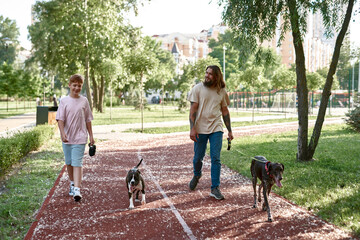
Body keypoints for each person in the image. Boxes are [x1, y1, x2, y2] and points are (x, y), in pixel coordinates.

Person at [187, 65, 234, 200]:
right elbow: (193, 111)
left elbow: (225, 111)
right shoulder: (197, 89)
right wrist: (192, 128)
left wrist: (230, 130)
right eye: (206, 73)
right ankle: (197, 174)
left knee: (216, 158)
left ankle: (215, 188)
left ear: (217, 77)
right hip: (200, 129)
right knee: (198, 158)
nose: (207, 75)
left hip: (216, 128)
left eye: (210, 74)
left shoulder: (222, 91)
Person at [56, 74, 95, 202]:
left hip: (80, 137)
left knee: (77, 162)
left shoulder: (84, 101)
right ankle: (72, 183)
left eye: (79, 85)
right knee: (69, 162)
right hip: (67, 138)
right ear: (69, 85)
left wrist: (91, 136)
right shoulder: (64, 101)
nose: (77, 88)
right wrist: (62, 133)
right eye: (74, 85)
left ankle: (77, 189)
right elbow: (60, 119)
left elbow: (88, 119)